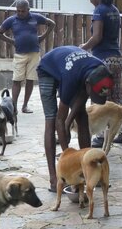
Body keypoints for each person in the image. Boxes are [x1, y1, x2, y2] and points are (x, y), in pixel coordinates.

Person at [36, 45, 114, 192]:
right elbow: (60, 120)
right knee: (51, 120)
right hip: (48, 68)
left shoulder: (102, 71)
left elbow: (82, 98)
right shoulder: (70, 78)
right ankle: (56, 178)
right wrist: (69, 159)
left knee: (82, 117)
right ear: (88, 85)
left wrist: (69, 121)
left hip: (76, 69)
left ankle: (88, 170)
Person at [79, 0, 122, 146]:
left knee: (99, 96)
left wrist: (84, 47)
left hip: (102, 59)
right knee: (117, 95)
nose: (90, 1)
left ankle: (100, 135)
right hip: (116, 57)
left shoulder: (99, 11)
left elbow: (97, 37)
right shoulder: (114, 10)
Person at [0, 0, 55, 114]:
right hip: (19, 55)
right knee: (17, 80)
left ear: (28, 9)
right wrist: (12, 41)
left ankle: (25, 106)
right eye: (18, 11)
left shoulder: (36, 17)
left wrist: (42, 37)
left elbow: (52, 24)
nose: (20, 13)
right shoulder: (11, 20)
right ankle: (14, 107)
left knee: (30, 80)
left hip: (34, 53)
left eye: (23, 11)